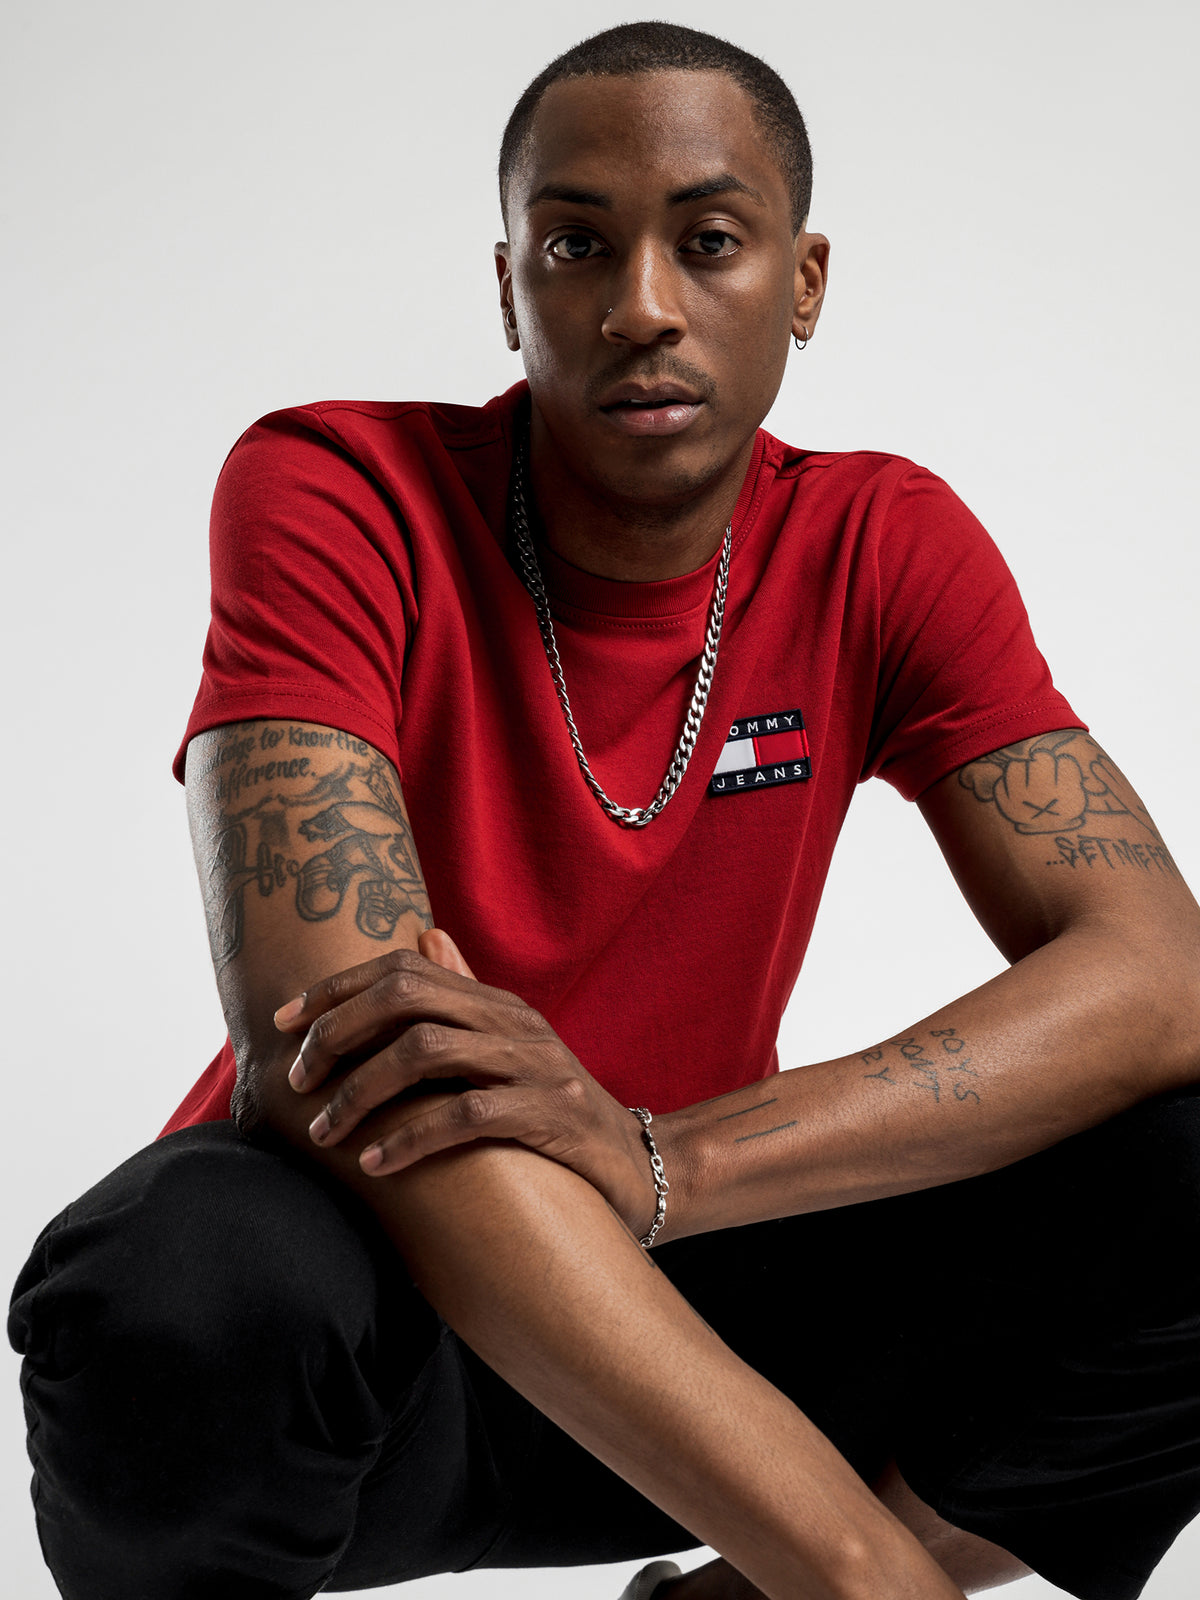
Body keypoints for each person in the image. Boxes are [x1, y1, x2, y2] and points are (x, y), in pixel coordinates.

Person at [10, 20, 1200, 1600]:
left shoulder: (880, 542)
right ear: (510, 288)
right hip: (358, 1340)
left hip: (692, 1319)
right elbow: (340, 1052)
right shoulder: (336, 490)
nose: (641, 305)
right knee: (181, 1283)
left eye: (709, 241)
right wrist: (854, 1572)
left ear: (803, 281)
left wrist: (665, 1164)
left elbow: (1160, 977)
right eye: (576, 244)